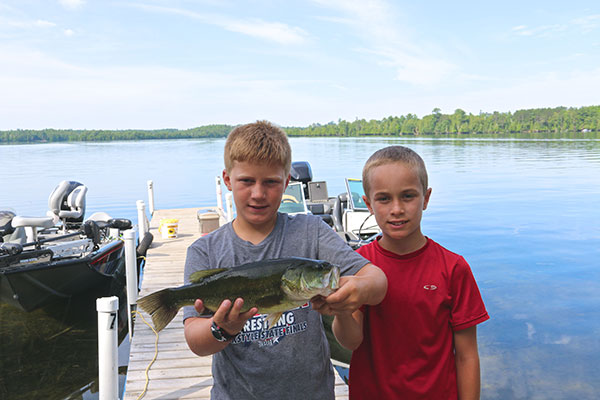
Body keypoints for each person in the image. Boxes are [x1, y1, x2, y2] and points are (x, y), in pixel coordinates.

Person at [182, 121, 387, 399]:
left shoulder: (311, 232)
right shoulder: (204, 250)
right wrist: (221, 329)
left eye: (270, 182)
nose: (258, 193)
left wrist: (355, 291)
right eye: (246, 181)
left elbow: (376, 279)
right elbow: (196, 340)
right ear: (227, 179)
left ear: (287, 182)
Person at [333, 145, 489, 400]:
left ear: (426, 198)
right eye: (384, 199)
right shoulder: (358, 265)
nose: (396, 209)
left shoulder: (453, 268)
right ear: (368, 204)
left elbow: (467, 355)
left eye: (408, 196)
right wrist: (340, 310)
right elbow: (350, 342)